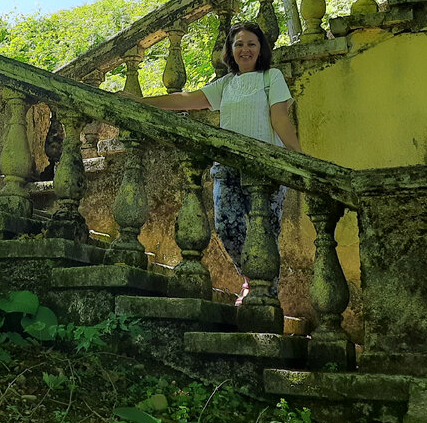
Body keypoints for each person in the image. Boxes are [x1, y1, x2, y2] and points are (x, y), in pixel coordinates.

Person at [127, 21, 300, 303]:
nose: (245, 49)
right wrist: (141, 102)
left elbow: (279, 117)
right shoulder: (226, 84)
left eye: (251, 44)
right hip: (227, 168)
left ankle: (266, 295)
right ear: (230, 51)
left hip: (265, 170)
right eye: (239, 44)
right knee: (227, 227)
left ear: (260, 49)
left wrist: (297, 157)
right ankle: (250, 280)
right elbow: (186, 100)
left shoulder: (272, 77)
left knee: (266, 233)